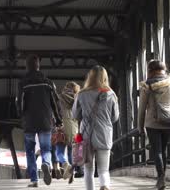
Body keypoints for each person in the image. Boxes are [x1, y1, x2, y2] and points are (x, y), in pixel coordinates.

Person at [17, 54, 63, 188]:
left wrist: (21, 115)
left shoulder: (23, 83)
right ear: (38, 66)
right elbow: (55, 102)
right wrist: (59, 119)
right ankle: (46, 164)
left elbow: (19, 103)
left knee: (30, 151)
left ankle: (34, 180)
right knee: (46, 148)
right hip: (45, 121)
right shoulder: (48, 82)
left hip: (29, 122)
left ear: (27, 66)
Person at [73, 65, 119, 190]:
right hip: (104, 134)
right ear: (105, 77)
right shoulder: (111, 94)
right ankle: (104, 185)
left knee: (88, 170)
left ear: (90, 77)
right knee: (104, 169)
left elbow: (75, 115)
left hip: (86, 135)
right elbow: (115, 117)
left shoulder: (81, 94)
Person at [138, 60, 170, 190]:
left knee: (157, 151)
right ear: (164, 69)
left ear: (150, 70)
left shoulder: (146, 86)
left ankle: (160, 178)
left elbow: (142, 109)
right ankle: (162, 178)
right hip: (168, 122)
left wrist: (140, 127)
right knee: (163, 151)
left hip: (152, 123)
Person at [55, 82, 80, 181]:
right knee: (70, 152)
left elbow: (56, 112)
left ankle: (65, 165)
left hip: (62, 126)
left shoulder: (59, 97)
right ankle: (71, 173)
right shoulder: (78, 99)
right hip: (75, 128)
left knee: (59, 152)